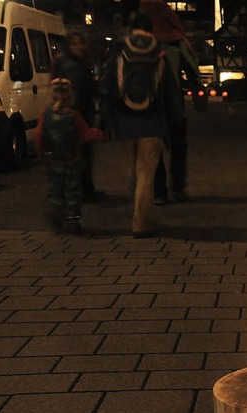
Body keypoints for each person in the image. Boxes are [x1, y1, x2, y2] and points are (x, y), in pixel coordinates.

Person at [99, 11, 182, 238]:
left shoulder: (119, 48)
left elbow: (107, 84)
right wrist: (175, 122)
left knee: (133, 172)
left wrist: (104, 119)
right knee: (146, 174)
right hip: (152, 122)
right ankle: (141, 223)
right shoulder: (158, 50)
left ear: (130, 27)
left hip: (124, 122)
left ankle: (143, 214)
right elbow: (170, 89)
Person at [139, 0, 201, 205]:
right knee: (178, 148)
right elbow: (193, 71)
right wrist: (199, 97)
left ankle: (158, 193)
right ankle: (178, 188)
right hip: (173, 106)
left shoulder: (138, 42)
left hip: (148, 107)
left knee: (152, 148)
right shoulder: (177, 43)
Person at [35, 78, 105, 234]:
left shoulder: (44, 113)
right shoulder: (74, 114)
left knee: (55, 188)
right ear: (70, 94)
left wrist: (41, 153)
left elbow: (39, 135)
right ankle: (72, 221)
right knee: (72, 191)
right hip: (72, 160)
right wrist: (99, 134)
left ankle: (55, 210)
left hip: (53, 161)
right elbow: (85, 134)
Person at [52, 31, 103, 202]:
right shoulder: (74, 65)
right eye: (75, 44)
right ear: (69, 46)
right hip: (78, 114)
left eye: (81, 42)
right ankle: (84, 190)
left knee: (75, 153)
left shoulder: (67, 62)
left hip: (75, 113)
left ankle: (80, 189)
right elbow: (77, 92)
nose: (80, 46)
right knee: (81, 153)